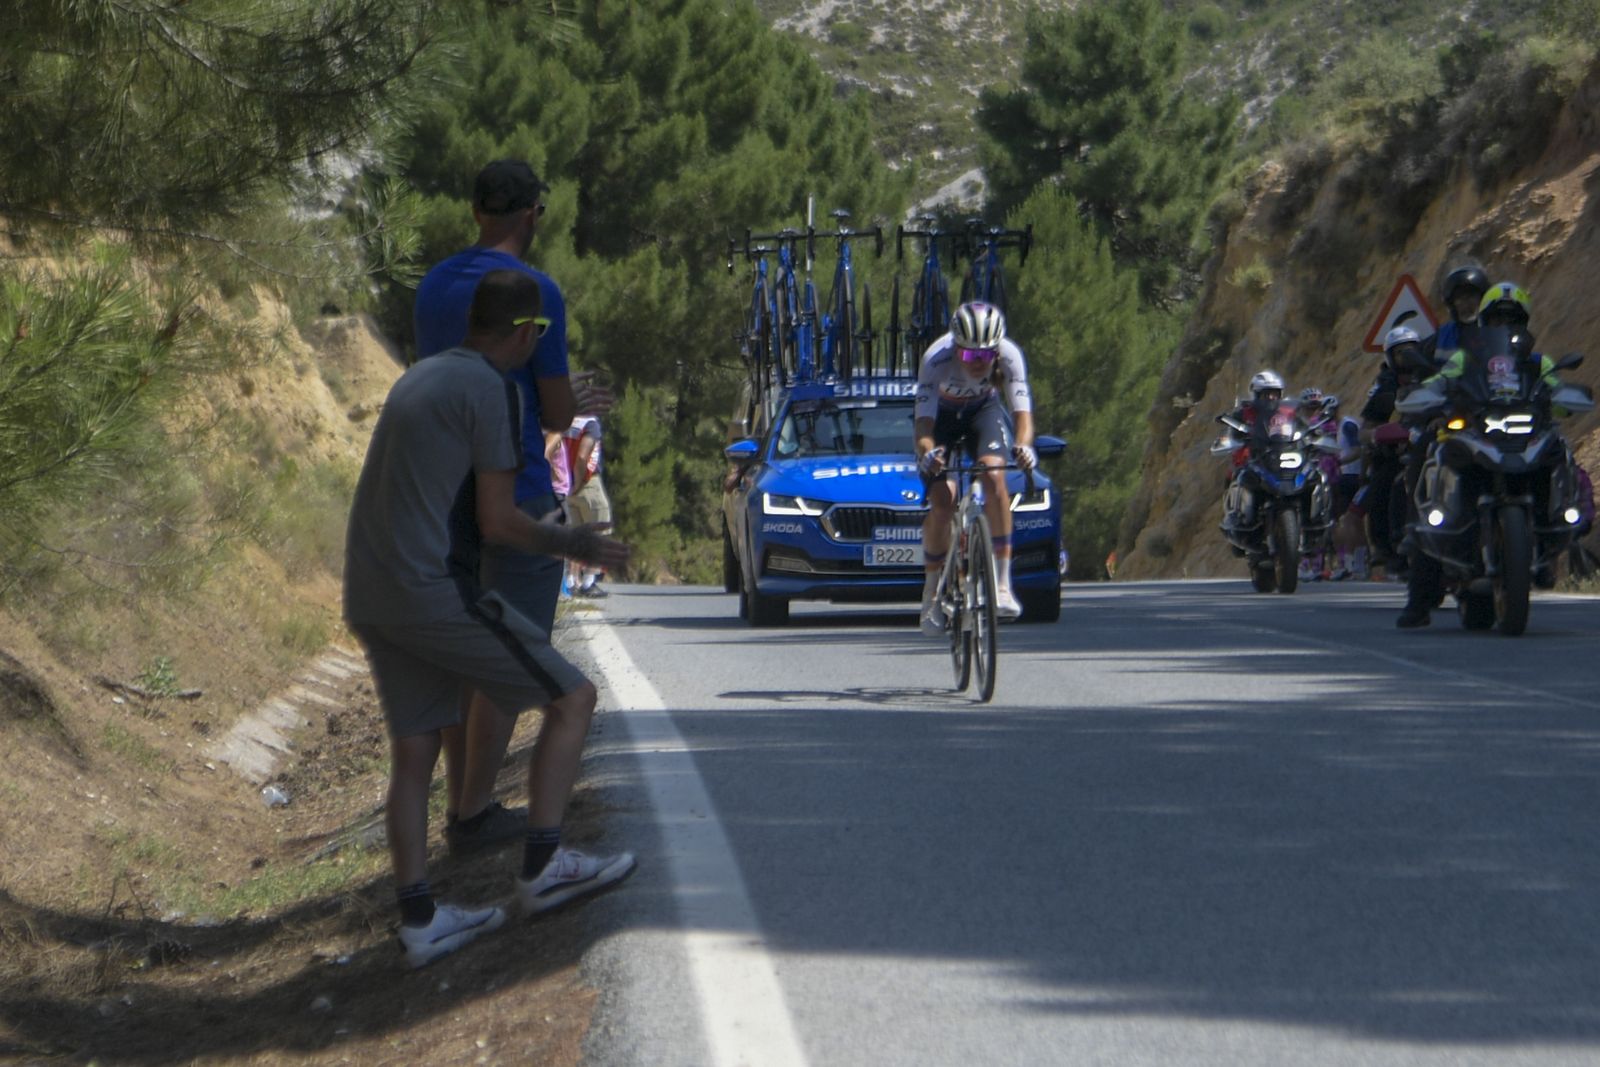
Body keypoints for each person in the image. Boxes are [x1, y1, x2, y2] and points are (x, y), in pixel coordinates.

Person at [343, 270, 635, 968]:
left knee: (415, 751)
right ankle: (544, 867)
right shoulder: (495, 389)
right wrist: (574, 542)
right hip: (432, 588)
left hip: (372, 591)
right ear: (528, 333)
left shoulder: (418, 378)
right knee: (574, 698)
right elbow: (499, 521)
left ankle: (420, 920)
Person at [413, 160, 603, 853]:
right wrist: (576, 399)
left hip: (443, 490)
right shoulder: (536, 291)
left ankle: (460, 804)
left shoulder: (434, 286)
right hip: (515, 488)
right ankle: (473, 815)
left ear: (474, 212)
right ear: (533, 215)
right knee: (509, 655)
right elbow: (553, 412)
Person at [1396, 280, 1567, 626]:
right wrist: (1428, 397)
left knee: (1559, 449)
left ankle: (1553, 523)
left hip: (1522, 435)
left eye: (1513, 319)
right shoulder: (1466, 357)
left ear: (1524, 323)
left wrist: (1564, 400)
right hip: (1476, 433)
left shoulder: (1538, 362)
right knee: (1430, 469)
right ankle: (1419, 598)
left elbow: (1558, 392)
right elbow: (1440, 382)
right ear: (1486, 322)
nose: (1505, 325)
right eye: (1498, 319)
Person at [914, 301, 1035, 632]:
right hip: (942, 419)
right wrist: (928, 454)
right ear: (956, 348)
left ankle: (1003, 585)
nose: (979, 362)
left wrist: (1024, 447)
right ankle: (931, 594)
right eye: (970, 355)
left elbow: (1022, 416)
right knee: (943, 501)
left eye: (986, 354)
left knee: (994, 478)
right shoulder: (935, 359)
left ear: (997, 349)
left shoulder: (1010, 355)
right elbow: (923, 425)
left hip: (983, 412)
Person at [563, 413, 612, 597]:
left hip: (567, 482)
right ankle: (588, 582)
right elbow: (583, 457)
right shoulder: (590, 424)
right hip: (587, 482)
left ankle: (570, 580)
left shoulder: (566, 422)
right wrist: (578, 482)